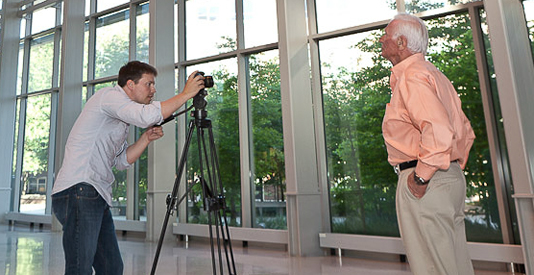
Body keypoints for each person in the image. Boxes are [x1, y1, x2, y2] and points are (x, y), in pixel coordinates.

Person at [51, 61, 205, 274]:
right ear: (130, 84)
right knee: (79, 268)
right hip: (79, 190)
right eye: (149, 84)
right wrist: (186, 94)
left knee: (111, 267)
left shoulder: (120, 116)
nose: (154, 89)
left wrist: (145, 139)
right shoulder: (109, 97)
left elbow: (121, 160)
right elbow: (146, 116)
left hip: (95, 195)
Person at [380, 13, 476, 275]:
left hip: (426, 179)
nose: (381, 39)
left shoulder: (412, 77)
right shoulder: (434, 74)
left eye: (386, 35)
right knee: (454, 264)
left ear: (401, 42)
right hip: (447, 176)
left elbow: (438, 129)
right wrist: (452, 168)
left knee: (432, 266)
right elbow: (464, 130)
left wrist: (420, 179)